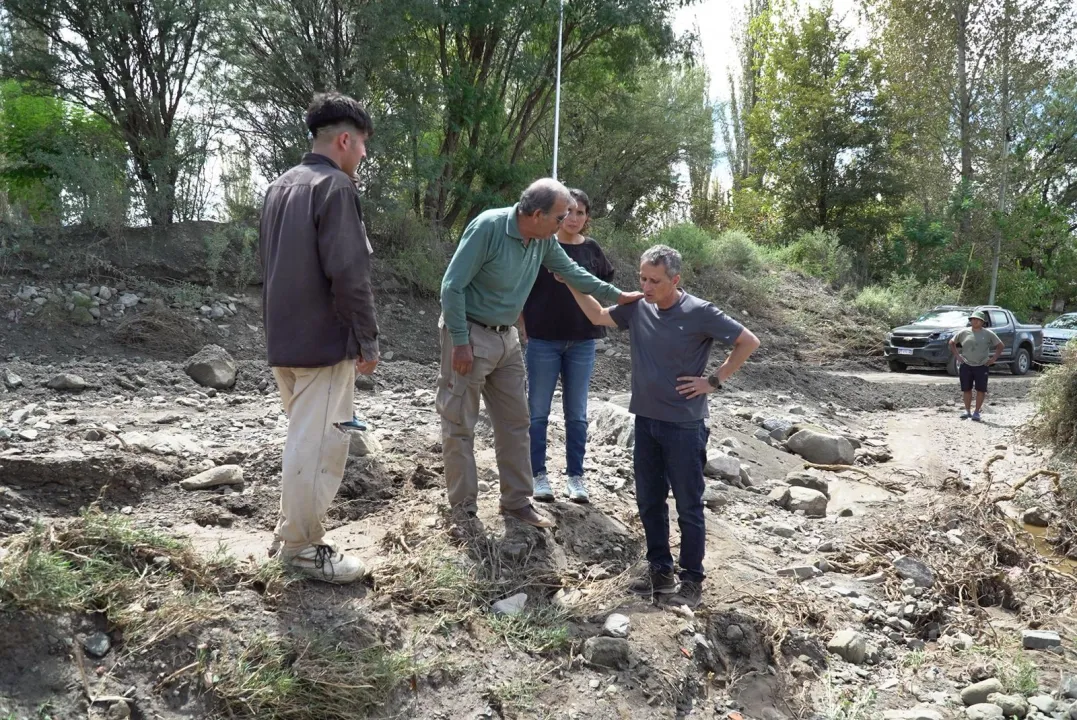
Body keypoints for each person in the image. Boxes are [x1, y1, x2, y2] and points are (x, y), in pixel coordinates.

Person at [437, 179, 641, 531]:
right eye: (560, 216)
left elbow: (572, 272)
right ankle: (463, 510)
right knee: (460, 425)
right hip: (469, 334)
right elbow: (451, 286)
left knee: (517, 423)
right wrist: (459, 341)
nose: (565, 222)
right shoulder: (489, 227)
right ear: (535, 214)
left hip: (507, 340)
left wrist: (617, 295)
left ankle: (516, 502)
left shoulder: (543, 239)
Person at [565, 245, 760, 608]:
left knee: (688, 505)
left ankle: (692, 580)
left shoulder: (700, 312)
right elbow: (596, 316)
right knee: (649, 501)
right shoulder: (638, 306)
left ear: (675, 280)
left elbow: (747, 341)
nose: (647, 286)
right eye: (642, 278)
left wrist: (712, 381)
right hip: (646, 421)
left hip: (685, 426)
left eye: (655, 280)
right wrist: (572, 282)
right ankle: (659, 570)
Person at [258, 92, 379, 583]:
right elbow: (350, 272)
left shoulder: (279, 186)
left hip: (283, 338)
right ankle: (302, 548)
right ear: (345, 140)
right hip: (324, 342)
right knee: (320, 446)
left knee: (302, 440)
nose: (364, 156)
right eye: (364, 145)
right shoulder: (336, 187)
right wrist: (366, 339)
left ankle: (289, 532)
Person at [521, 189, 614, 504]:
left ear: (587, 217)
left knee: (577, 413)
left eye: (581, 213)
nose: (574, 219)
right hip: (542, 339)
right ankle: (538, 476)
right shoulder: (541, 245)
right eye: (569, 212)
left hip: (582, 340)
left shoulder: (593, 251)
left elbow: (603, 287)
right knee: (537, 412)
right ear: (559, 214)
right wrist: (522, 326)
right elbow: (521, 287)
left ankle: (576, 477)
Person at [949, 309, 1004, 422]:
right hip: (966, 364)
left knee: (980, 390)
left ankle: (976, 412)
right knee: (966, 389)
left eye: (977, 320)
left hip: (982, 365)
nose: (974, 321)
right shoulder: (964, 332)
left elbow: (1000, 345)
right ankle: (967, 411)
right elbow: (952, 342)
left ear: (982, 322)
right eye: (973, 319)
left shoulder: (988, 334)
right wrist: (958, 356)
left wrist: (993, 359)